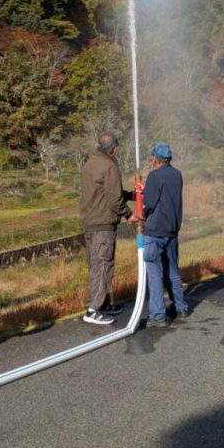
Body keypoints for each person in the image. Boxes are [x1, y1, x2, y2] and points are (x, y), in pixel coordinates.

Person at [79, 132, 135, 325]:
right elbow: (114, 198)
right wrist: (129, 214)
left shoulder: (90, 163)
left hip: (91, 222)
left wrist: (132, 195)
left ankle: (102, 304)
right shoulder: (109, 166)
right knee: (103, 264)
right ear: (114, 148)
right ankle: (93, 309)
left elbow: (107, 192)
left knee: (96, 264)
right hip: (102, 223)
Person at [141, 142, 189, 327]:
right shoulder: (177, 174)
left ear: (155, 159)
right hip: (172, 229)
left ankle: (158, 316)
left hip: (156, 230)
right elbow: (165, 196)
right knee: (173, 270)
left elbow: (150, 202)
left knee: (154, 272)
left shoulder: (154, 176)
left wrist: (142, 215)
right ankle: (181, 307)